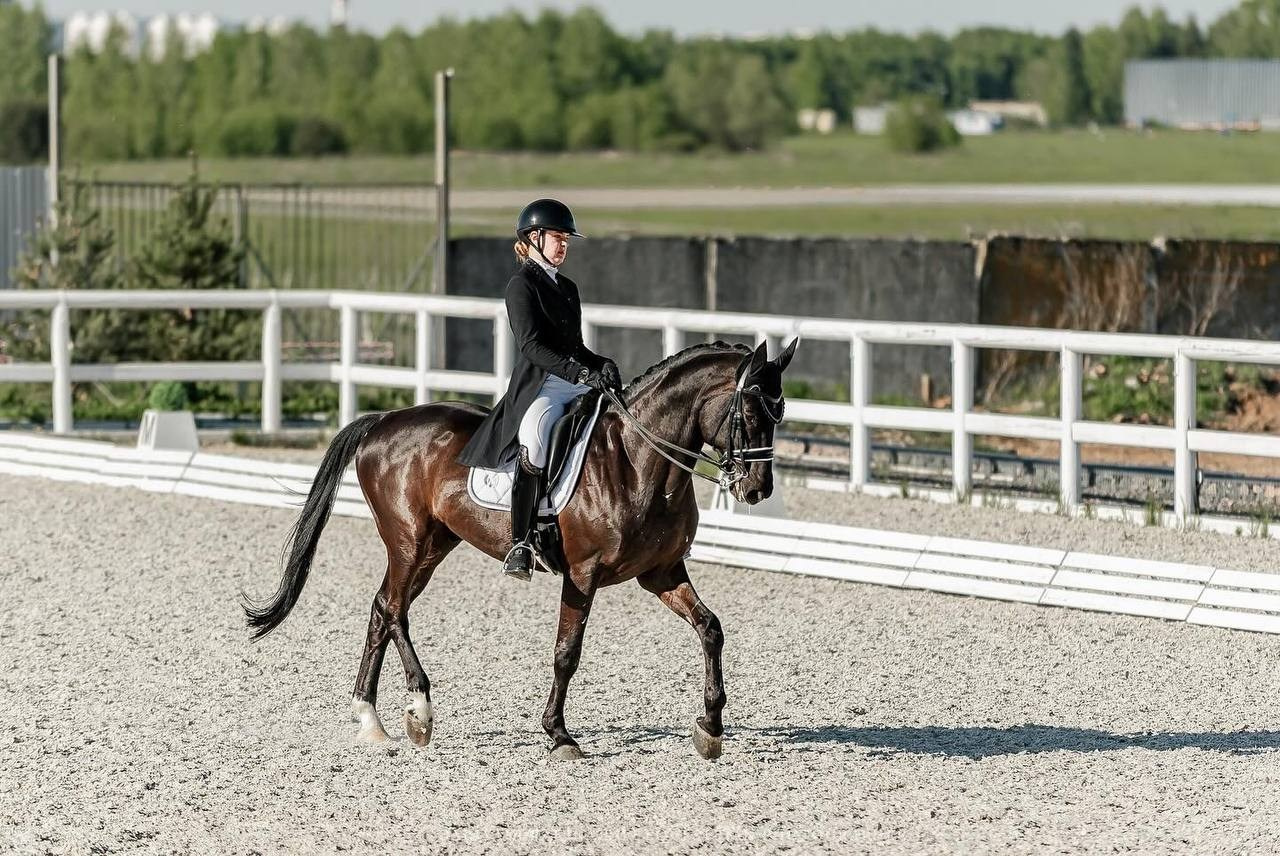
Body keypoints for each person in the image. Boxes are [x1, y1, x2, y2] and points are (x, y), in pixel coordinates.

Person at [456, 198, 623, 581]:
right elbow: (531, 346)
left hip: (574, 378)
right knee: (534, 437)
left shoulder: (567, 287)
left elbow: (575, 346)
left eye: (567, 238)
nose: (563, 244)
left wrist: (599, 364)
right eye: (557, 237)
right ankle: (523, 540)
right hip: (543, 387)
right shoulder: (521, 286)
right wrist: (579, 373)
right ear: (533, 238)